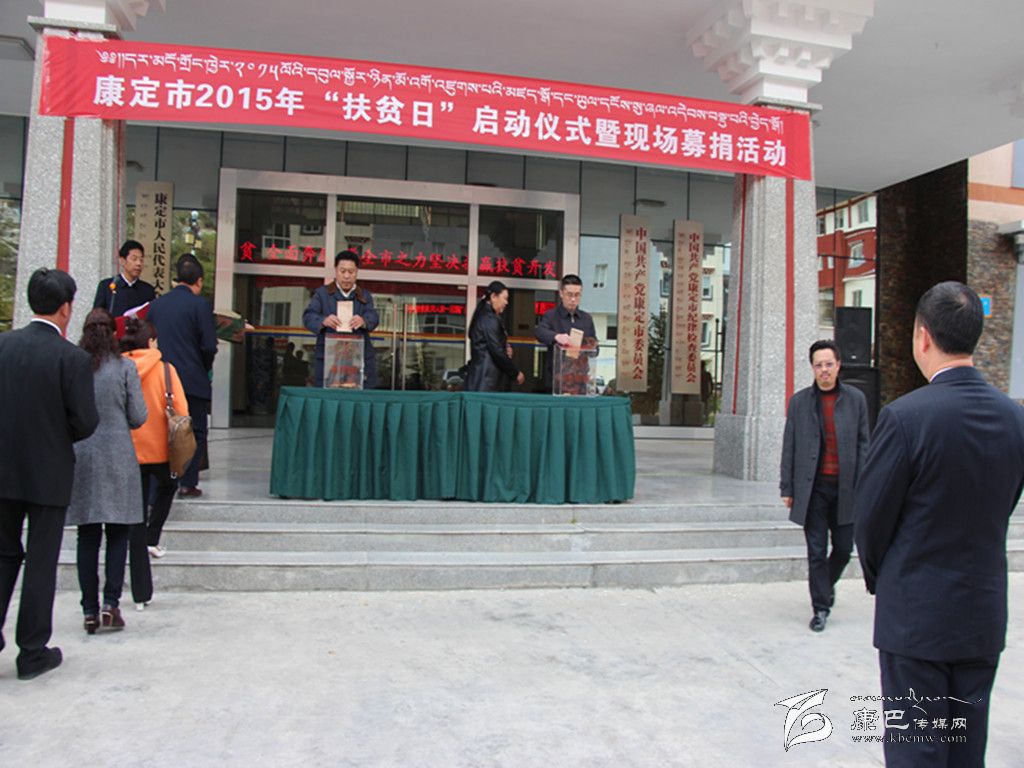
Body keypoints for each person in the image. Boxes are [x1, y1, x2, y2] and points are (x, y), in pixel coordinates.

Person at [854, 282, 1024, 768]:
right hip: (981, 615)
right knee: (966, 753)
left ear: (922, 336)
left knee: (917, 753)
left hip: (917, 620)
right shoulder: (1015, 420)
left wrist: (887, 580)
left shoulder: (905, 418)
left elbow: (870, 521)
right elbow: (1005, 504)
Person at [0, 268, 98, 680]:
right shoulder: (72, 359)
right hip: (49, 472)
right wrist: (57, 436)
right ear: (66, 308)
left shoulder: (3, 345)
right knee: (41, 561)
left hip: (3, 470)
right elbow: (86, 421)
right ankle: (32, 652)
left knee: (2, 554)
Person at [65, 309, 147, 634]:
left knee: (87, 535)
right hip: (117, 456)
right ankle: (111, 604)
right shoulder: (125, 367)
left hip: (82, 454)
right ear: (113, 333)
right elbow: (138, 415)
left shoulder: (73, 367)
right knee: (118, 532)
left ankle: (88, 610)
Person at [780, 339, 869, 632]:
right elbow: (789, 446)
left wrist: (864, 483)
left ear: (838, 365)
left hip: (846, 488)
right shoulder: (800, 402)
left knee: (843, 549)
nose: (824, 370)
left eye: (829, 364)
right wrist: (787, 487)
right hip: (813, 489)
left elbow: (864, 444)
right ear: (812, 368)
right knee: (816, 551)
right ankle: (820, 607)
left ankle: (825, 585)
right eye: (818, 365)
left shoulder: (856, 400)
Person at [121, 317, 189, 608]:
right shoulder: (165, 370)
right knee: (168, 486)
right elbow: (181, 410)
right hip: (161, 450)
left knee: (133, 515)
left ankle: (140, 590)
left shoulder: (118, 367)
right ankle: (152, 535)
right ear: (150, 342)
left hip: (128, 451)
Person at [146, 254, 217, 498]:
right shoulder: (201, 305)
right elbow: (209, 345)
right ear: (199, 281)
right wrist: (204, 367)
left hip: (161, 379)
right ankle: (187, 482)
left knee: (162, 431)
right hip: (191, 379)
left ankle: (158, 485)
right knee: (195, 431)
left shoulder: (157, 305)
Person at [302, 250, 379, 388]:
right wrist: (323, 320)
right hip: (329, 358)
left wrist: (364, 321)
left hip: (357, 359)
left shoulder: (365, 296)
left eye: (351, 271)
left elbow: (373, 316)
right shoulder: (322, 294)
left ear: (357, 272)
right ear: (336, 271)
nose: (347, 276)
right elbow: (308, 316)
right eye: (342, 271)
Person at [534, 274, 598, 393]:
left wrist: (590, 345)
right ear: (561, 293)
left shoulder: (586, 319)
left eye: (577, 295)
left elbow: (595, 348)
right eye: (569, 294)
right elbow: (539, 332)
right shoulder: (551, 315)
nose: (573, 299)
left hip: (579, 380)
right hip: (557, 379)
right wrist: (556, 336)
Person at [465, 280, 525, 392]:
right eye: (505, 298)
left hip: (482, 380)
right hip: (485, 381)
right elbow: (496, 351)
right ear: (493, 297)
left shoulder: (484, 315)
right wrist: (515, 373)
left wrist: (505, 348)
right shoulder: (489, 319)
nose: (506, 303)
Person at [92, 239, 157, 317]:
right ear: (122, 261)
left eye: (141, 260)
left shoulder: (148, 290)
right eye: (134, 259)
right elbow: (97, 317)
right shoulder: (106, 286)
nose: (138, 263)